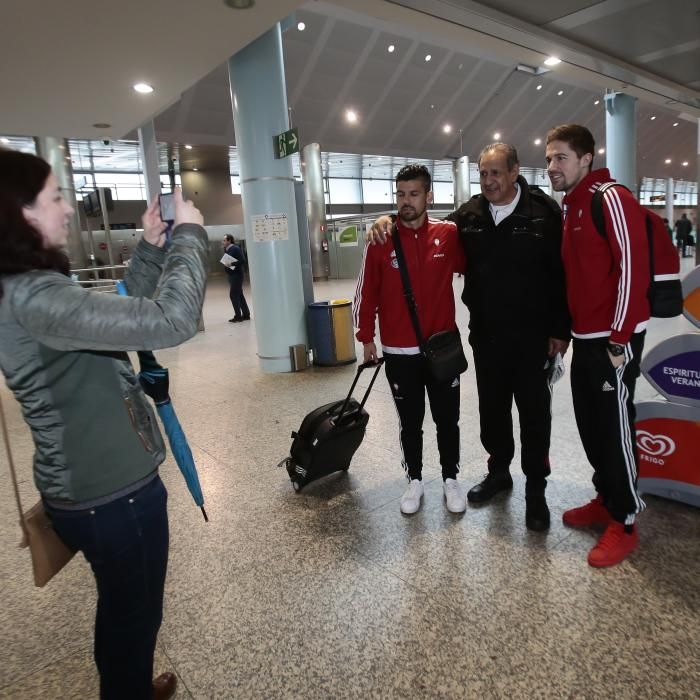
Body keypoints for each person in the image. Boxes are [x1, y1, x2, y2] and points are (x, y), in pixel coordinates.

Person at [0, 148, 208, 699]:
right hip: (112, 498)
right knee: (132, 618)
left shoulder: (25, 290)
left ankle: (130, 685)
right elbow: (172, 319)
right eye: (54, 198)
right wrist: (188, 236)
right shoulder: (34, 298)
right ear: (20, 212)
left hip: (93, 490)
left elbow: (113, 320)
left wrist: (149, 250)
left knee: (124, 611)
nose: (67, 210)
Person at [370, 144, 570, 531]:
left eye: (497, 173)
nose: (490, 181)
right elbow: (424, 230)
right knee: (492, 412)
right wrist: (384, 218)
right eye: (484, 174)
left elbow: (561, 275)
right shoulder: (471, 215)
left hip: (532, 340)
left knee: (533, 415)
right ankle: (499, 474)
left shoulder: (543, 213)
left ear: (514, 172)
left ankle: (536, 491)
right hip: (487, 338)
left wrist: (560, 329)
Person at [545, 124, 649, 567]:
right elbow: (576, 279)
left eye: (561, 157)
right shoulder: (570, 206)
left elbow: (633, 268)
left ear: (586, 157)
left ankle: (624, 521)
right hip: (586, 339)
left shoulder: (610, 197)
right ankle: (606, 497)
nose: (552, 167)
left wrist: (619, 338)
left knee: (615, 426)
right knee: (591, 424)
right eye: (549, 158)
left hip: (613, 339)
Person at [353, 164, 467, 514]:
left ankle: (451, 478)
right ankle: (414, 480)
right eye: (400, 194)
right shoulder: (380, 240)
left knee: (447, 419)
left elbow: (478, 266)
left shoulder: (448, 234)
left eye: (414, 194)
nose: (406, 201)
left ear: (428, 196)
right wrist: (365, 335)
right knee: (410, 421)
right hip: (399, 351)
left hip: (441, 348)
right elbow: (366, 290)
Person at [223, 233, 250, 322]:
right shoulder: (227, 249)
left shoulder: (236, 248)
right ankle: (246, 315)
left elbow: (242, 261)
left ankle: (238, 316)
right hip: (231, 275)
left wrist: (231, 264)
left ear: (229, 240)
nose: (223, 242)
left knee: (233, 295)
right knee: (239, 295)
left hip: (237, 275)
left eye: (224, 240)